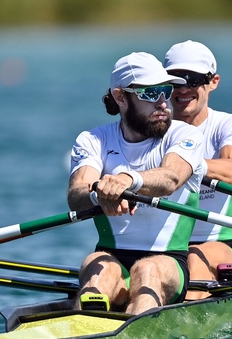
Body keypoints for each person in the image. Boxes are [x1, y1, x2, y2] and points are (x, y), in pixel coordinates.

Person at [68, 52, 206, 314]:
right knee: (98, 267)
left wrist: (127, 180)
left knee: (146, 270)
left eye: (165, 91)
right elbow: (77, 193)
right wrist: (99, 194)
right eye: (151, 94)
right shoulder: (93, 140)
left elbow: (170, 178)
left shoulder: (185, 134)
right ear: (120, 97)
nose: (163, 103)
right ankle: (80, 334)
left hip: (169, 261)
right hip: (111, 255)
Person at [163, 40, 232, 287]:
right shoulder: (155, 127)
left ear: (213, 82)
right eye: (175, 80)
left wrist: (184, 166)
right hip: (162, 244)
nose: (183, 89)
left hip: (218, 243)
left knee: (193, 260)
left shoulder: (228, 125)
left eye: (192, 79)